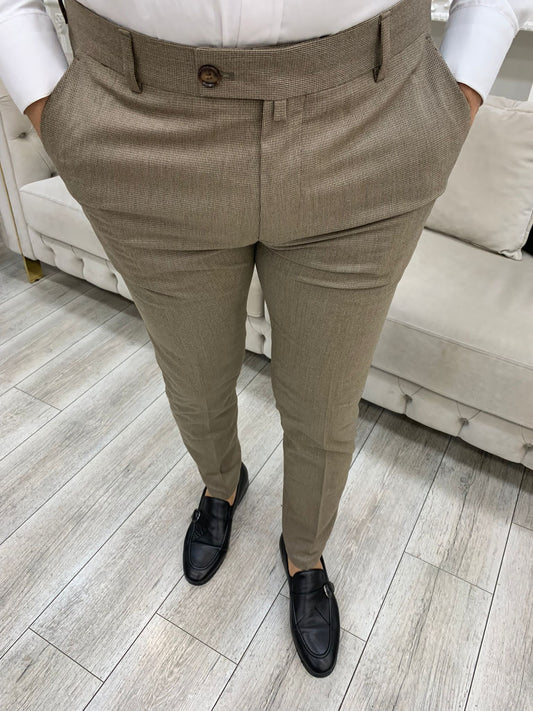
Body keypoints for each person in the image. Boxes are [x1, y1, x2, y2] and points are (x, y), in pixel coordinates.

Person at [0, 0, 531, 679]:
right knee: (194, 377)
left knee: (324, 402)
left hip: (367, 122)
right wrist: (57, 114)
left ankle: (305, 553)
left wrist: (453, 104)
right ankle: (221, 485)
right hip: (138, 128)